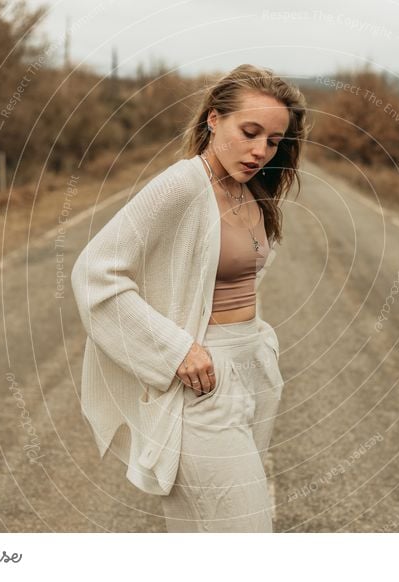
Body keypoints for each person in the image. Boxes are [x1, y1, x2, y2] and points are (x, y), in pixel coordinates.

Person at [70, 63, 309, 532]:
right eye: (250, 131)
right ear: (213, 120)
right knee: (246, 530)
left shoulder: (249, 189)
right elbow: (94, 273)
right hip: (205, 382)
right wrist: (176, 350)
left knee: (204, 535)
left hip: (252, 372)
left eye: (274, 140)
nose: (260, 150)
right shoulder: (181, 185)